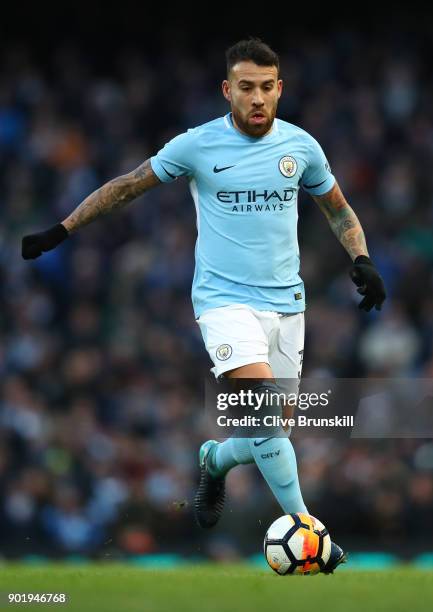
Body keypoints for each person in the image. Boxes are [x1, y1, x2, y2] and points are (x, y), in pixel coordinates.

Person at [22, 38, 386, 572]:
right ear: (227, 91)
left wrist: (362, 258)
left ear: (279, 89)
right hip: (223, 302)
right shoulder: (196, 146)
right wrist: (63, 229)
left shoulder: (302, 148)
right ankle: (311, 534)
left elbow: (338, 210)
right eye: (246, 88)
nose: (257, 98)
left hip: (288, 304)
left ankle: (215, 459)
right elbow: (128, 186)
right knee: (263, 411)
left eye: (267, 87)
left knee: (272, 431)